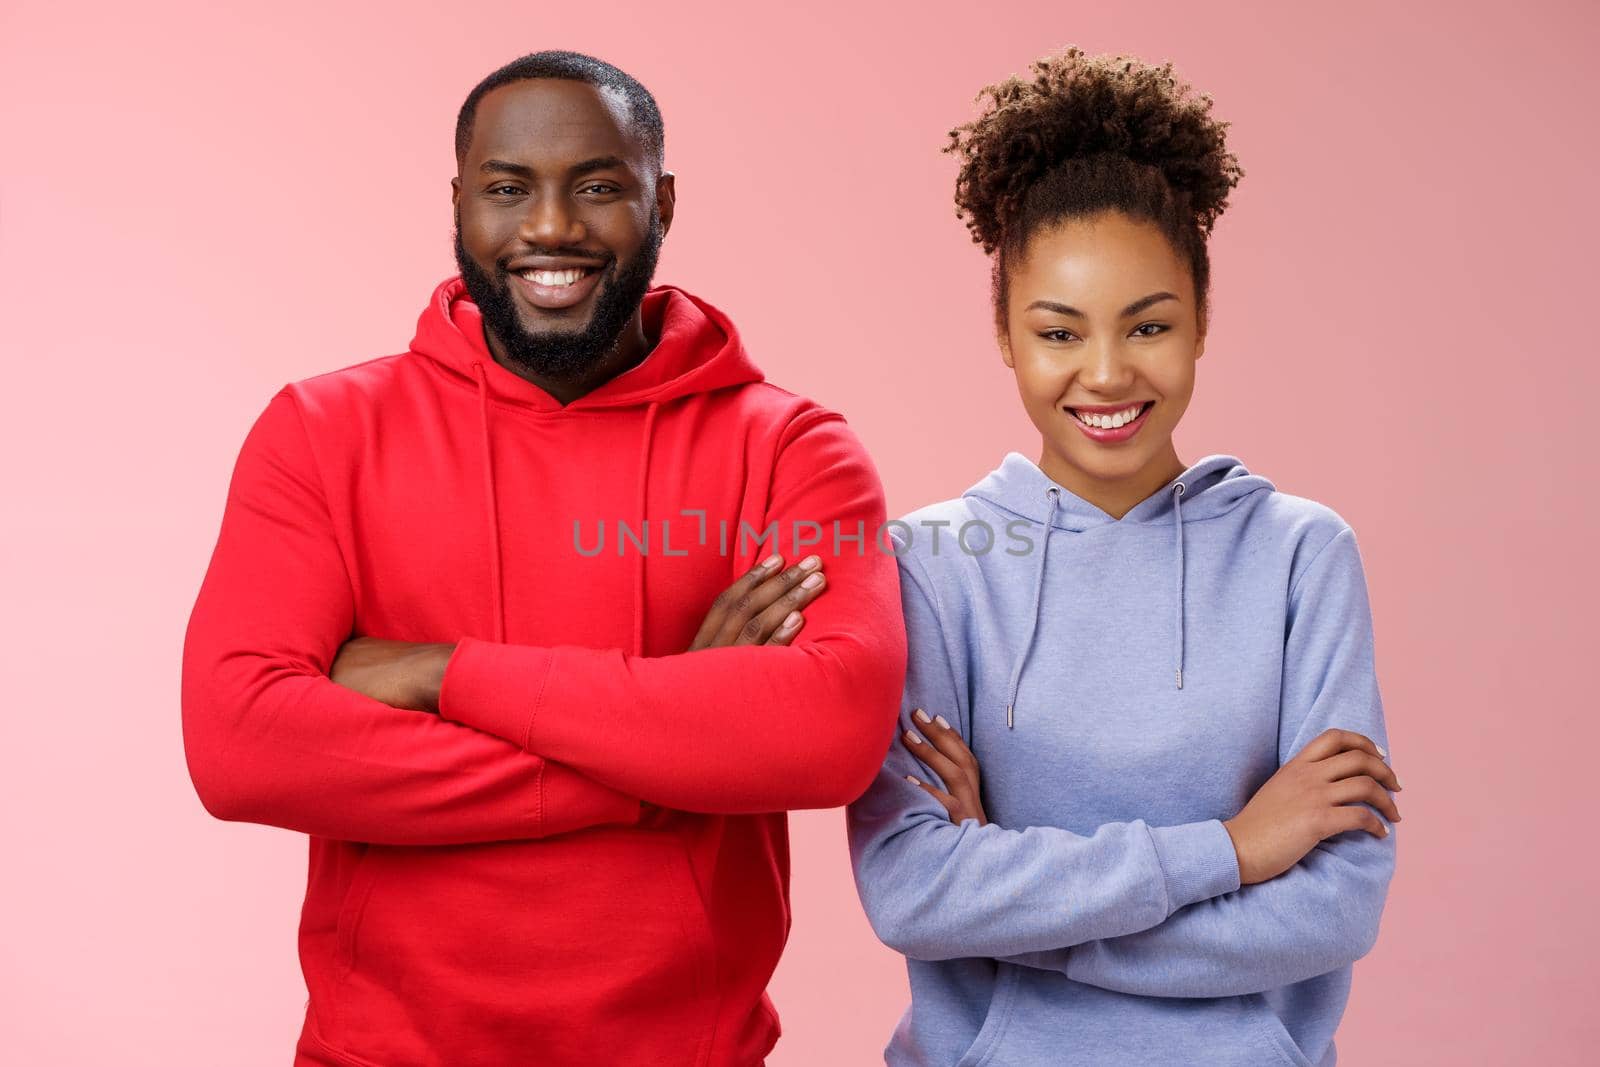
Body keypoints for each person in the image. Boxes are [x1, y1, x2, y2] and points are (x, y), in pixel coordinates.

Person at [181, 50, 906, 1067]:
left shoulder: (792, 448)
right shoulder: (321, 431)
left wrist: (440, 671)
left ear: (663, 202)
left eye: (599, 186)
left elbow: (828, 734)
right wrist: (674, 735)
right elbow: (241, 743)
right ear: (458, 204)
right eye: (508, 188)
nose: (553, 227)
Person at [846, 47, 1400, 1066]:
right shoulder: (933, 562)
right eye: (1059, 332)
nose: (1106, 373)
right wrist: (1232, 847)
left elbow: (1332, 911)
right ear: (1006, 334)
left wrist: (1017, 910)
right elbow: (914, 888)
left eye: (1148, 324)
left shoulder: (1299, 557)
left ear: (1201, 321)